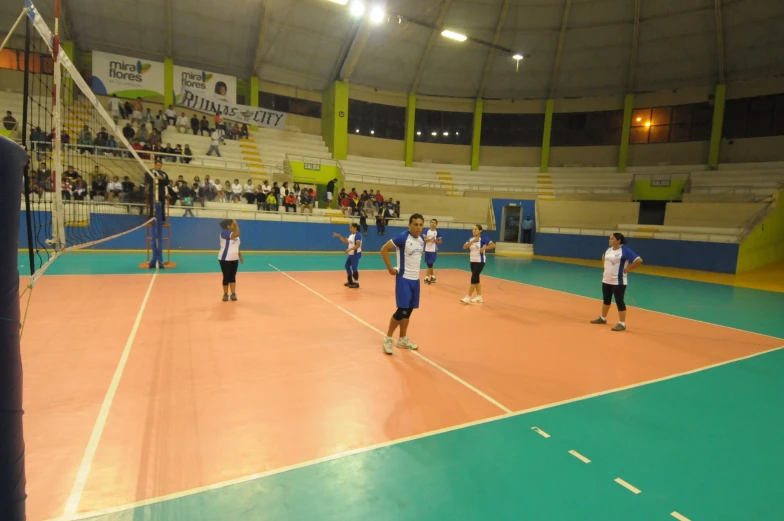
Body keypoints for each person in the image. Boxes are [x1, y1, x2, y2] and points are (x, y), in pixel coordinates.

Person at [380, 214, 425, 354]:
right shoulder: (403, 238)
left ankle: (402, 339)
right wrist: (390, 268)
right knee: (402, 311)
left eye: (420, 225)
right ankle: (387, 338)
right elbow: (384, 249)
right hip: (403, 279)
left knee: (409, 311)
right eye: (415, 224)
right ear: (409, 225)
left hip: (415, 280)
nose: (418, 228)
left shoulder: (421, 240)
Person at [590, 232, 642, 331]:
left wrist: (628, 269)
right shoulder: (609, 250)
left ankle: (622, 323)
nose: (610, 240)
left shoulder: (625, 250)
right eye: (609, 238)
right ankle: (603, 318)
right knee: (606, 300)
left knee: (619, 301)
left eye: (612, 239)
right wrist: (606, 267)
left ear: (619, 240)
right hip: (606, 279)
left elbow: (638, 260)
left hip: (618, 281)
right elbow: (603, 257)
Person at [461, 225, 496, 304]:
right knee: (476, 279)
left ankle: (468, 297)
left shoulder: (484, 238)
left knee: (473, 278)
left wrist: (484, 248)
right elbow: (465, 246)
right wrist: (473, 241)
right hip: (472, 261)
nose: (474, 230)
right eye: (473, 229)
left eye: (476, 229)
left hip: (480, 261)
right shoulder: (471, 239)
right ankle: (479, 296)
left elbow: (493, 245)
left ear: (480, 230)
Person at [218, 219, 244, 301]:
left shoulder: (235, 235)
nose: (234, 226)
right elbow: (237, 233)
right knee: (226, 276)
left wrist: (240, 256)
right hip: (225, 258)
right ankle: (225, 294)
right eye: (232, 225)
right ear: (228, 226)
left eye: (234, 225)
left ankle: (233, 293)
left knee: (233, 276)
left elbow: (237, 247)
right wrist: (237, 225)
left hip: (234, 258)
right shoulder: (224, 233)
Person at [333, 223, 362, 288]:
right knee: (347, 266)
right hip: (351, 254)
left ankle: (356, 283)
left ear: (355, 228)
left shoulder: (358, 235)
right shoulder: (351, 235)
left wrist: (349, 250)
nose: (350, 229)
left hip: (356, 254)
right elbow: (346, 241)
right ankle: (350, 281)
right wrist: (339, 236)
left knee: (354, 268)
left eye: (351, 227)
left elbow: (358, 245)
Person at [423, 218, 443, 284]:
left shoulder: (438, 232)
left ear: (436, 224)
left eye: (434, 223)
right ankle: (433, 277)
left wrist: (435, 241)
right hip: (427, 250)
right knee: (429, 264)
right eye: (432, 222)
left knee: (430, 264)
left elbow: (440, 242)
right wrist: (430, 239)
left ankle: (426, 277)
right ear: (430, 223)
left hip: (433, 250)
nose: (433, 224)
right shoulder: (426, 231)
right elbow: (425, 240)